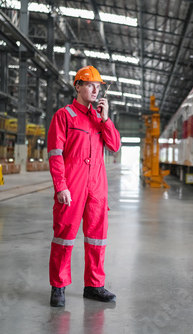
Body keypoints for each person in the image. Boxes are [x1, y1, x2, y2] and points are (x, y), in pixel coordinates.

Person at [47, 65, 121, 307]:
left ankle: (94, 286)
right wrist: (61, 187)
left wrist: (106, 119)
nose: (95, 90)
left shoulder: (98, 118)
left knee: (97, 237)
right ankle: (58, 287)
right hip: (73, 185)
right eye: (90, 85)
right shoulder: (64, 116)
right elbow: (56, 154)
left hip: (97, 187)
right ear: (77, 86)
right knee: (65, 236)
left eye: (98, 87)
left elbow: (115, 146)